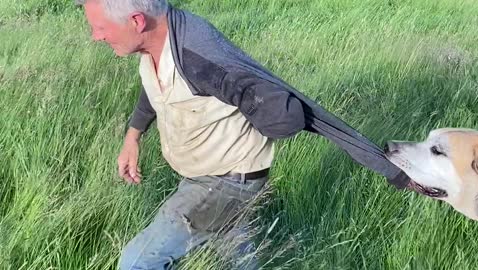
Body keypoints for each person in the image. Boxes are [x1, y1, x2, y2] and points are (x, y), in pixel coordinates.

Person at [76, 0, 410, 269]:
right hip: (216, 176)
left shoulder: (201, 59)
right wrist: (133, 135)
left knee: (136, 262)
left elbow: (296, 113)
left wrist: (276, 114)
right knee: (238, 258)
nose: (95, 36)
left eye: (99, 28)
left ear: (136, 21)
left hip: (223, 183)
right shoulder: (157, 44)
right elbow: (157, 87)